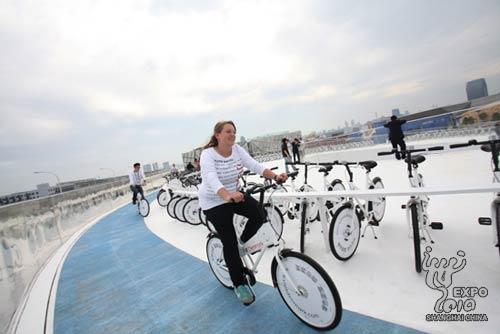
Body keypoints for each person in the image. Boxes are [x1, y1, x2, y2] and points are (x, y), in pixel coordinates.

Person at [199, 121, 288, 305]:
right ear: (218, 135)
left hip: (235, 195)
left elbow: (254, 165)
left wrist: (275, 176)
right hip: (214, 202)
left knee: (259, 214)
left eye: (234, 132)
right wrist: (227, 195)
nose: (233, 134)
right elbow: (211, 178)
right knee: (228, 242)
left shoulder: (237, 150)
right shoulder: (208, 155)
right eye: (228, 131)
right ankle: (239, 284)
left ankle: (242, 243)